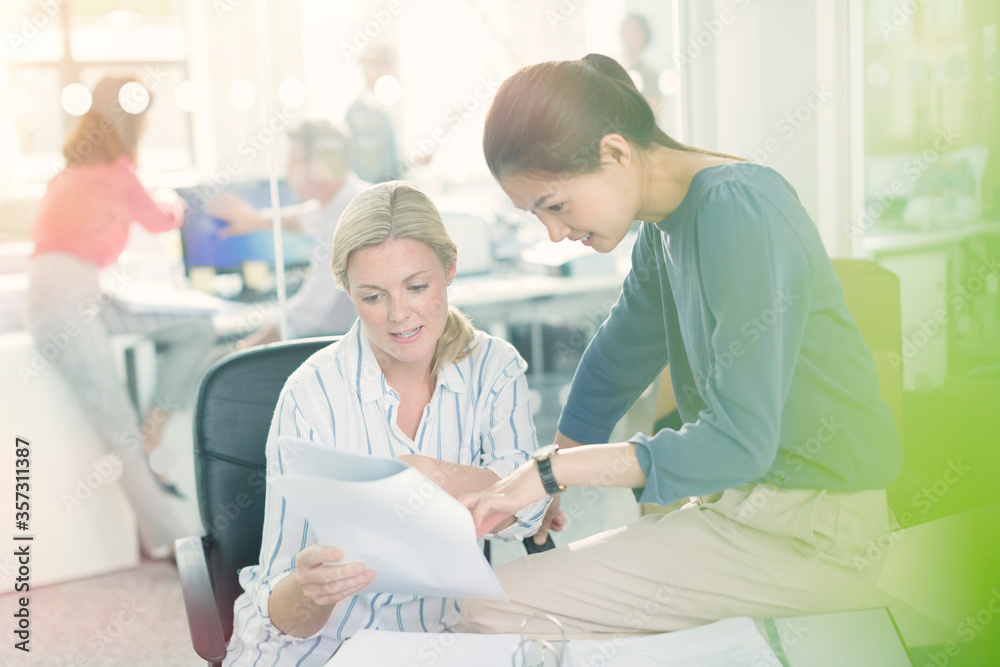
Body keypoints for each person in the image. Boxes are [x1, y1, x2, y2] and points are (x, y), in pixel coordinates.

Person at [459, 53, 903, 637]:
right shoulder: (662, 228)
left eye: (556, 205)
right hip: (745, 514)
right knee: (511, 599)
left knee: (493, 607)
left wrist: (550, 472)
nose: (554, 233)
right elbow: (615, 361)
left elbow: (740, 442)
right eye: (536, 214)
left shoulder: (738, 210)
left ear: (615, 152)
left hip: (814, 537)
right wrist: (549, 482)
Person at [224, 181, 549, 665]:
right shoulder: (310, 395)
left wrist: (437, 475)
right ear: (347, 292)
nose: (399, 316)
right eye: (372, 297)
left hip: (447, 639)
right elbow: (280, 613)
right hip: (328, 647)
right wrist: (311, 592)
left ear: (450, 268)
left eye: (417, 287)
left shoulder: (494, 367)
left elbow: (530, 514)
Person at [25, 73, 215, 558]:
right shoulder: (113, 168)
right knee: (116, 425)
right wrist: (183, 202)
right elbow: (160, 218)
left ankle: (153, 430)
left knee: (195, 326)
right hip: (64, 302)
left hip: (89, 293)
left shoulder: (75, 168)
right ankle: (170, 542)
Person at [207, 121, 369, 347]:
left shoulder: (345, 221)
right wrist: (256, 221)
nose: (286, 168)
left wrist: (242, 350)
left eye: (291, 161)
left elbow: (307, 314)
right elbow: (306, 218)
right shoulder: (353, 201)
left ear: (317, 168)